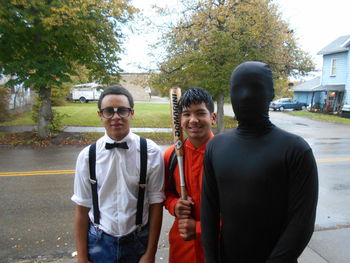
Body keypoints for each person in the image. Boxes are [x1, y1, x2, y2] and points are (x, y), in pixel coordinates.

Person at [201, 61, 318, 263]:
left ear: (270, 94)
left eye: (255, 88)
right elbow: (209, 212)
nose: (246, 95)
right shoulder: (215, 147)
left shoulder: (296, 151)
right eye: (239, 89)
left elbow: (301, 223)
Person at [71, 85, 164, 263]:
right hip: (99, 242)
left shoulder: (151, 152)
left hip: (138, 242)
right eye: (108, 111)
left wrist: (150, 253)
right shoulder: (87, 156)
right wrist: (82, 258)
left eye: (122, 110)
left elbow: (156, 205)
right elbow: (82, 210)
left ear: (132, 113)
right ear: (100, 115)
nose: (115, 117)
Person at [164, 87, 217, 263]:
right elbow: (165, 194)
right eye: (186, 114)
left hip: (219, 246)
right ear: (179, 120)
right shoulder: (171, 156)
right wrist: (174, 205)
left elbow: (238, 211)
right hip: (182, 245)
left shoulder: (227, 155)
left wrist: (200, 228)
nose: (193, 120)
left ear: (213, 118)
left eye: (200, 113)